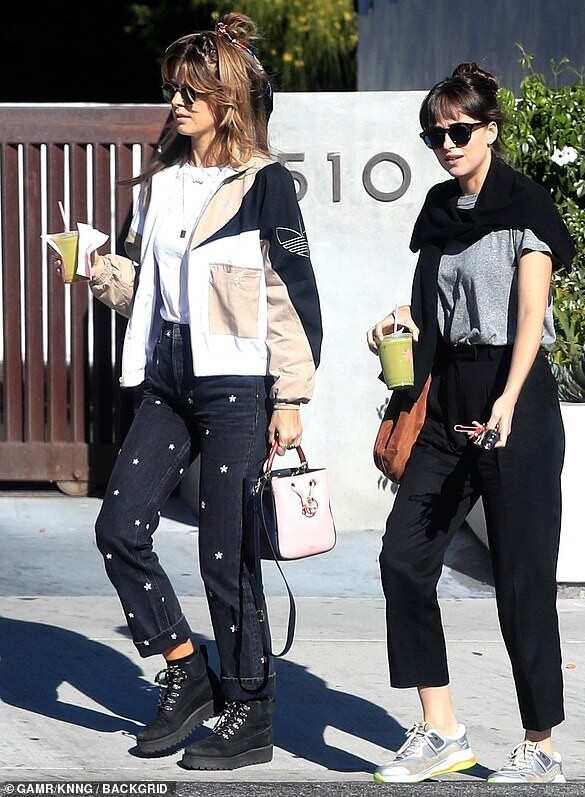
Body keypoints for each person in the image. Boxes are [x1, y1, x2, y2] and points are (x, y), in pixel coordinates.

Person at [79, 11, 322, 771]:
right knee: (119, 527)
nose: (177, 103)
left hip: (237, 384)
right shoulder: (161, 183)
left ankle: (250, 708)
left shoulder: (263, 183)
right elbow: (153, 291)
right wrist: (99, 272)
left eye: (191, 92)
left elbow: (291, 295)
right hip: (168, 373)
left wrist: (291, 398)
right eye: (172, 90)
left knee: (226, 553)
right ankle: (186, 669)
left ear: (228, 99)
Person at [366, 63, 575, 784]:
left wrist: (510, 398)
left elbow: (529, 315)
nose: (447, 145)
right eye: (435, 135)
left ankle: (541, 744)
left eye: (459, 131)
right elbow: (434, 308)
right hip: (447, 397)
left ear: (489, 129)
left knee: (522, 580)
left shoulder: (526, 207)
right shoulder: (438, 211)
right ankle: (442, 729)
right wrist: (398, 322)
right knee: (403, 559)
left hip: (516, 397)